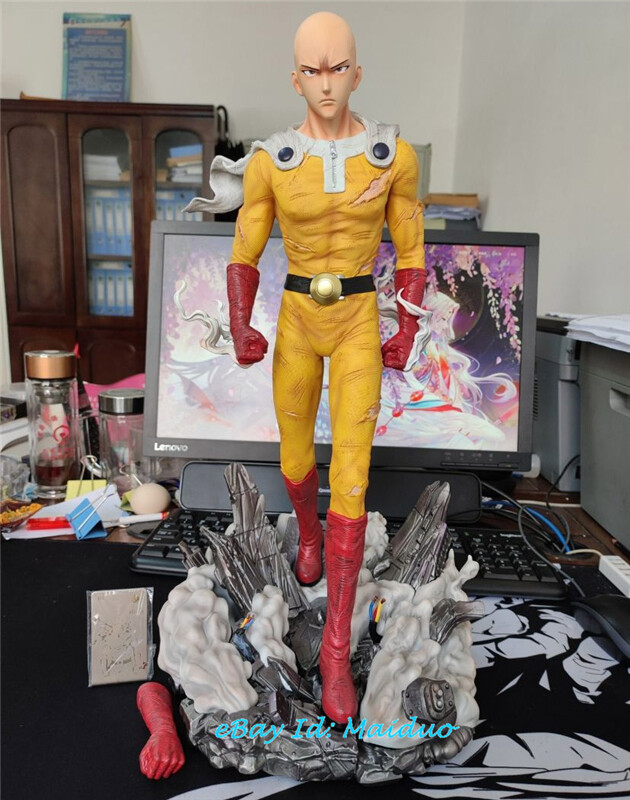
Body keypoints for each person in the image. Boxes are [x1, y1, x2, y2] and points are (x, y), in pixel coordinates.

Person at [219, 12, 426, 724]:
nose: (327, 83)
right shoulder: (270, 161)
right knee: (295, 455)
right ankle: (307, 534)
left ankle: (335, 649)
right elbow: (245, 249)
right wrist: (241, 322)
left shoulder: (392, 156)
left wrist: (407, 325)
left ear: (357, 73)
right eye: (313, 70)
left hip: (359, 315)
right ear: (295, 78)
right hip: (300, 318)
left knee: (354, 476)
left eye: (338, 68)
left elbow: (410, 247)